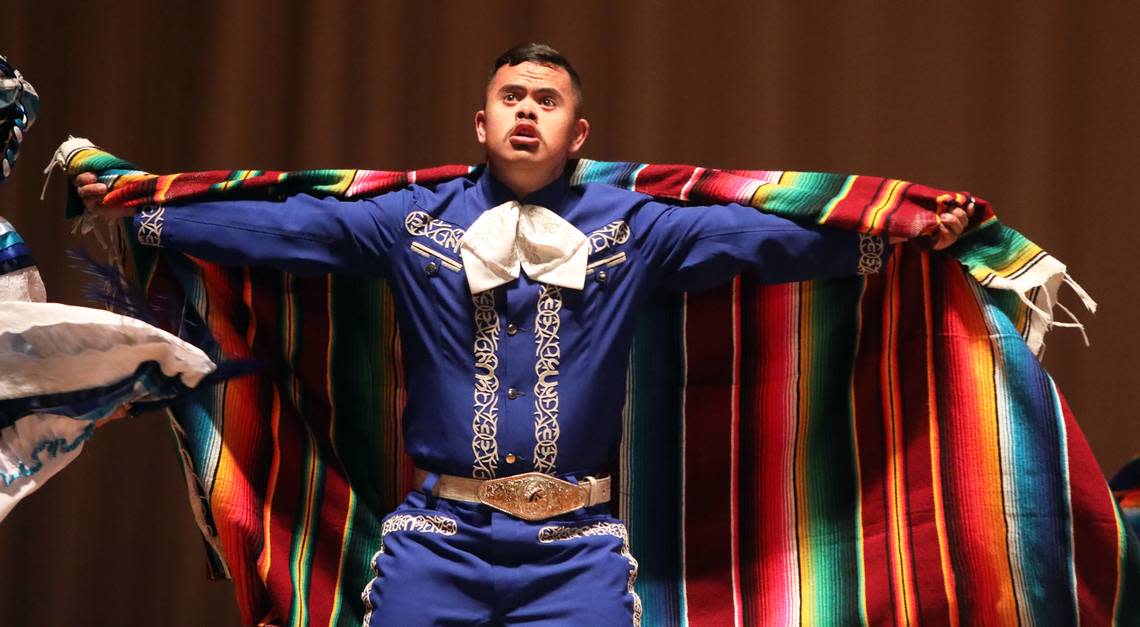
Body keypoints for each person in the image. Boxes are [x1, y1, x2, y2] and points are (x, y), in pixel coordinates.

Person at [75, 43, 972, 626]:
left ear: (577, 132)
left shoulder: (633, 228)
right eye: (511, 96)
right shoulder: (410, 222)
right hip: (436, 542)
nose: (527, 111)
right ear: (482, 122)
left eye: (546, 99)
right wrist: (143, 207)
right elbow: (280, 227)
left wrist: (895, 230)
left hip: (575, 555)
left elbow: (761, 238)